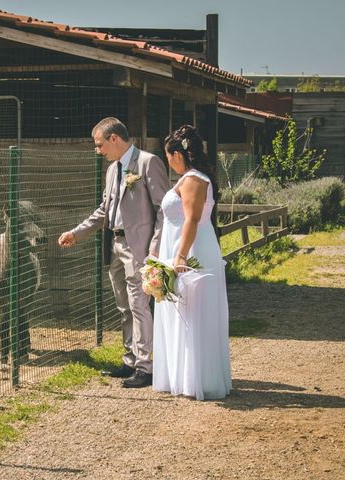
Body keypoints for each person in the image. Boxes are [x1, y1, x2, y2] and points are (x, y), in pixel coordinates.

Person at [58, 117, 169, 388]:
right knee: (124, 306)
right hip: (115, 245)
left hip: (139, 248)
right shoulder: (112, 171)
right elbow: (103, 211)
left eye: (99, 145)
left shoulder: (147, 163)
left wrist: (154, 249)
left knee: (139, 305)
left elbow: (164, 210)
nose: (98, 151)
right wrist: (77, 233)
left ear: (114, 139)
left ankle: (146, 366)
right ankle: (130, 359)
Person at [152, 124, 232, 400]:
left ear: (177, 154)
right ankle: (183, 376)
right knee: (182, 313)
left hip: (192, 249)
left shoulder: (193, 180)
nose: (168, 162)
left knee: (194, 312)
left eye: (167, 156)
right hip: (181, 247)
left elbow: (192, 219)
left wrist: (180, 255)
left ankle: (200, 379)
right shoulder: (190, 177)